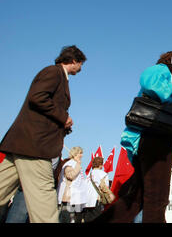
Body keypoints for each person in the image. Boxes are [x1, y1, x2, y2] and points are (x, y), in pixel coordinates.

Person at [92, 51, 172, 223]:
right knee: (157, 199)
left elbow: (163, 117)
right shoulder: (161, 71)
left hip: (156, 138)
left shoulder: (169, 79)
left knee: (135, 198)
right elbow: (151, 85)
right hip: (155, 141)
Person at [0, 45, 86, 223]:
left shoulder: (58, 76)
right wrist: (64, 117)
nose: (81, 68)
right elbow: (38, 97)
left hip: (23, 144)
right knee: (44, 203)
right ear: (74, 61)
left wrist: (63, 126)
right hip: (35, 146)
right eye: (80, 64)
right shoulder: (53, 73)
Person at [57, 146, 87, 223]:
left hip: (76, 198)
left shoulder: (74, 163)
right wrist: (78, 165)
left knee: (75, 219)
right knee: (69, 219)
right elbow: (70, 176)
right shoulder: (69, 164)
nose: (82, 155)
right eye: (80, 153)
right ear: (75, 154)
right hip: (69, 198)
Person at [84, 156, 112, 222]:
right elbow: (105, 188)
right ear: (101, 165)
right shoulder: (103, 174)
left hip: (86, 201)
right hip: (96, 200)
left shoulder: (89, 175)